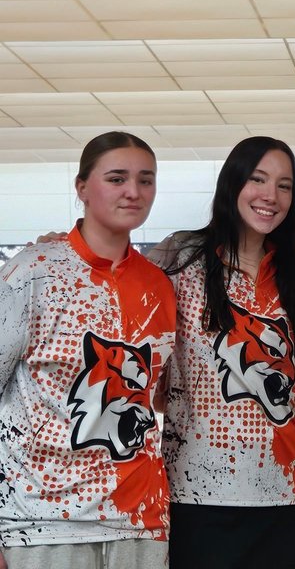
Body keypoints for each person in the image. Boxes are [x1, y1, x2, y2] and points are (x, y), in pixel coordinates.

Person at [0, 131, 176, 569]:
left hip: (140, 517)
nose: (133, 191)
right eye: (116, 178)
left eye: (145, 179)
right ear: (82, 188)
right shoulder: (31, 273)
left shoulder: (158, 285)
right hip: (40, 519)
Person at [153, 137, 295, 569]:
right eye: (258, 179)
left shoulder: (293, 278)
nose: (270, 196)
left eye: (284, 185)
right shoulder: (180, 257)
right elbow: (118, 286)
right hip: (198, 491)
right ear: (232, 182)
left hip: (287, 491)